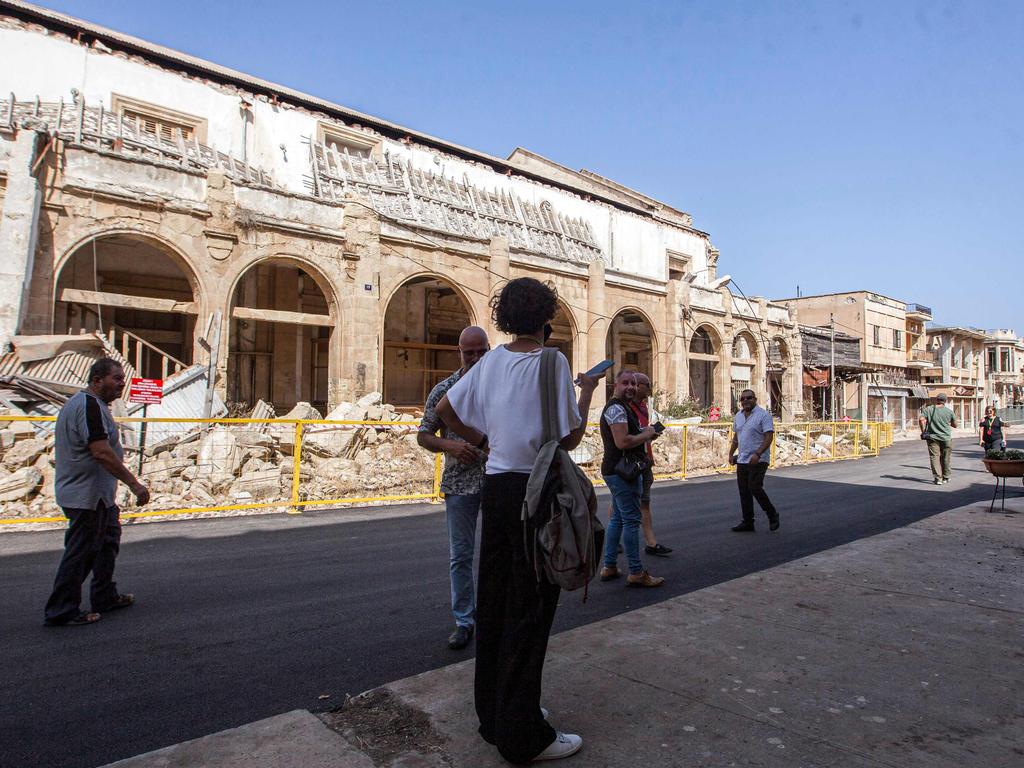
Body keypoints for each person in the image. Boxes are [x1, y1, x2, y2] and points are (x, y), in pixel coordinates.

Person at [436, 277, 600, 763]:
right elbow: (569, 438)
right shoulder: (552, 361)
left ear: (505, 316)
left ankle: (496, 715)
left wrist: (486, 443)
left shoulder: (489, 363)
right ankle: (524, 735)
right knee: (531, 611)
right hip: (537, 491)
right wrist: (585, 393)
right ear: (545, 316)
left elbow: (446, 410)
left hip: (498, 488)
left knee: (495, 602)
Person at [43, 358, 150, 627]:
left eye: (122, 379)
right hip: (85, 495)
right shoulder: (88, 405)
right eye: (116, 378)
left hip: (100, 495)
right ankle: (61, 609)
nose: (121, 384)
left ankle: (104, 596)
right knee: (81, 552)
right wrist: (134, 484)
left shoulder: (96, 406)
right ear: (97, 380)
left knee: (107, 542)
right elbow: (101, 451)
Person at [417, 326, 489, 651]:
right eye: (468, 352)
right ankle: (464, 621)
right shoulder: (444, 389)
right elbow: (424, 434)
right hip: (460, 483)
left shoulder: (499, 390)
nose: (474, 358)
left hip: (498, 480)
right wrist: (451, 446)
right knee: (460, 556)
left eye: (480, 352)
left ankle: (495, 616)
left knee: (498, 553)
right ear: (459, 352)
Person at [599, 371, 665, 587]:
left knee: (618, 519)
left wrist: (645, 432)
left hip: (619, 470)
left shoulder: (623, 407)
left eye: (634, 384)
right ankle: (636, 571)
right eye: (625, 383)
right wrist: (645, 435)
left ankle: (609, 565)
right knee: (631, 520)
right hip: (622, 471)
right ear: (615, 385)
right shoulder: (617, 408)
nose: (631, 387)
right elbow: (623, 442)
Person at [630, 372, 671, 557]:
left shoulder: (644, 407)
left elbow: (642, 435)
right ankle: (616, 543)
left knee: (644, 501)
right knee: (620, 504)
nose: (649, 389)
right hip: (631, 464)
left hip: (644, 461)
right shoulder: (625, 408)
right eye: (646, 385)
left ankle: (651, 543)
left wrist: (650, 437)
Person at [728, 389, 779, 532]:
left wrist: (758, 453)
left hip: (759, 459)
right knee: (744, 491)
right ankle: (748, 522)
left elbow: (769, 436)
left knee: (754, 487)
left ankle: (772, 514)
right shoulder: (738, 416)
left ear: (755, 399)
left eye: (749, 398)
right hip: (743, 459)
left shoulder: (763, 415)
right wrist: (731, 453)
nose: (745, 401)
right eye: (743, 399)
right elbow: (736, 437)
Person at [920, 393, 957, 484]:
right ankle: (946, 477)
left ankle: (938, 478)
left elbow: (921, 419)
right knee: (946, 457)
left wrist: (923, 431)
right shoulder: (949, 411)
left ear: (937, 400)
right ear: (945, 401)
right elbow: (955, 425)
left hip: (932, 437)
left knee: (934, 457)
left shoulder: (929, 409)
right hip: (946, 438)